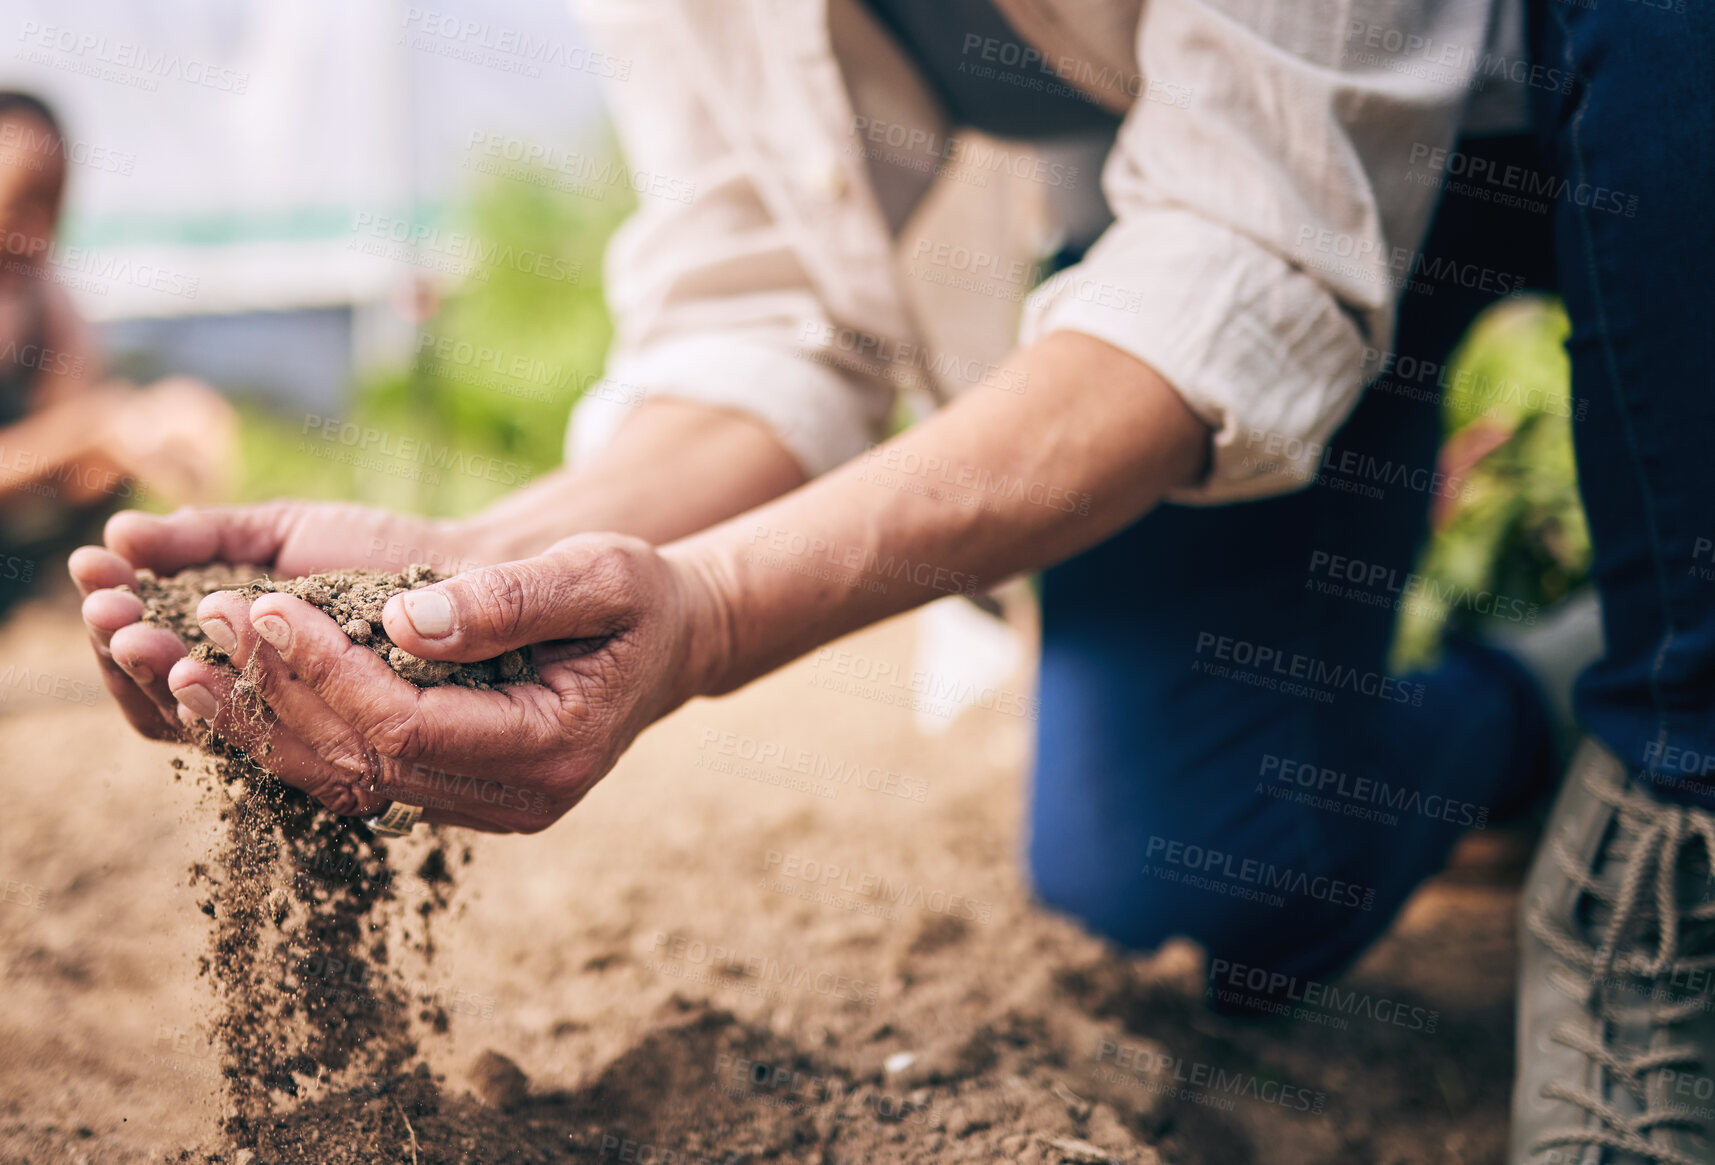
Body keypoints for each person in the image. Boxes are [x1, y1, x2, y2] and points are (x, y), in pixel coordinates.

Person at [69, 1, 1715, 1159]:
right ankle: (1545, 700)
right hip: (1215, 207)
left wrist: (711, 618)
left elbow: (1263, 239)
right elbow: (767, 304)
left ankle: (1670, 793)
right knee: (1190, 868)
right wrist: (479, 570)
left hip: (1608, 97)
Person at [0, 91, 235, 609]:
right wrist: (89, 428)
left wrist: (142, 425)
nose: (36, 229)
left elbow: (78, 435)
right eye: (21, 201)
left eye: (53, 204)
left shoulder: (41, 296)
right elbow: (81, 425)